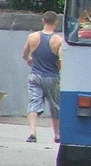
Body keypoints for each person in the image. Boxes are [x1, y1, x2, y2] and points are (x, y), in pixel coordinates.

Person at [22, 11, 63, 143]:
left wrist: (29, 60)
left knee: (34, 102)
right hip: (52, 76)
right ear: (56, 23)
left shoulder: (32, 37)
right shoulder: (58, 40)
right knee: (55, 105)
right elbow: (61, 61)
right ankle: (56, 134)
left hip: (34, 75)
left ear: (43, 21)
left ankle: (32, 132)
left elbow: (24, 55)